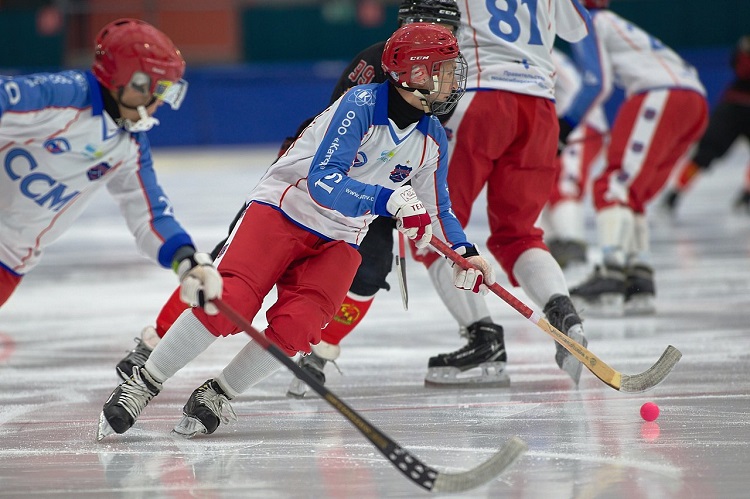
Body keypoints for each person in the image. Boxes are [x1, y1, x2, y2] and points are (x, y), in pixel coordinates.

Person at [98, 22, 496, 440]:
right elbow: (324, 181)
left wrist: (465, 252)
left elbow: (439, 209)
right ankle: (143, 383)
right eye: (444, 69)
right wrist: (386, 200)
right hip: (286, 209)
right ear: (413, 74)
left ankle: (219, 393)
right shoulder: (360, 103)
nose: (454, 79)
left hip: (342, 236)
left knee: (300, 327)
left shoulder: (432, 137)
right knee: (228, 301)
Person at [412, 0, 593, 387]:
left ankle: (483, 340)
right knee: (520, 233)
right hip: (541, 105)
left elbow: (427, 19)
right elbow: (580, 27)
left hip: (480, 95)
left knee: (431, 226)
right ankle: (564, 314)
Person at [0, 19, 221, 315]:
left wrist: (188, 260)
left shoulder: (130, 146)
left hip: (9, 260)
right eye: (159, 89)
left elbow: (150, 216)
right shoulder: (63, 97)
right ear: (133, 83)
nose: (159, 104)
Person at [558, 0, 708, 316]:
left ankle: (611, 272)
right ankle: (639, 275)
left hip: (661, 92)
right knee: (632, 193)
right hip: (692, 98)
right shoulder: (613, 22)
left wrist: (566, 125)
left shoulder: (589, 21)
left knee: (613, 184)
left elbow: (596, 83)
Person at [661, 35, 750, 215]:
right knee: (705, 153)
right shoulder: (744, 47)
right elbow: (741, 70)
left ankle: (747, 194)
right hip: (733, 107)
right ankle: (676, 193)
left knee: (705, 153)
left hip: (733, 105)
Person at [542, 48, 609, 270]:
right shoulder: (539, 50)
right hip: (567, 124)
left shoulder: (543, 52)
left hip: (578, 123)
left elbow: (576, 88)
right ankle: (557, 242)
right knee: (542, 182)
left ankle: (573, 242)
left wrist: (568, 122)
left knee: (564, 182)